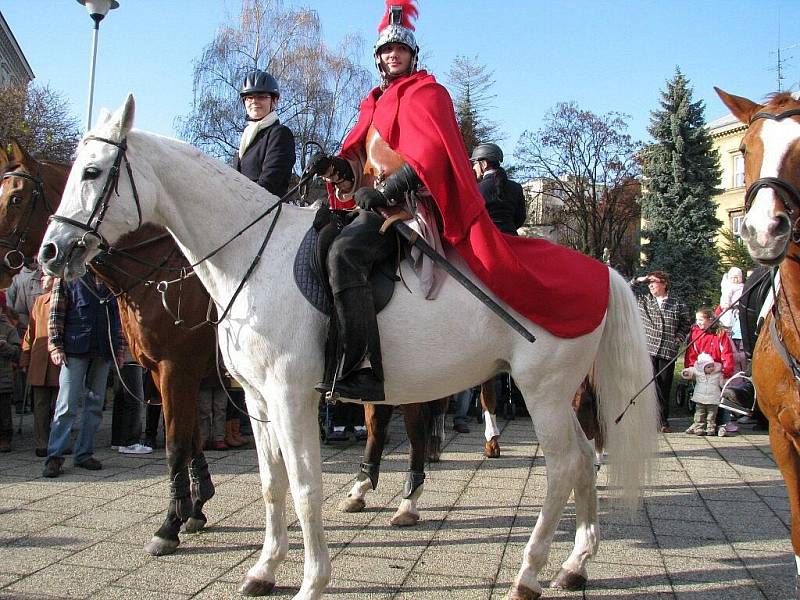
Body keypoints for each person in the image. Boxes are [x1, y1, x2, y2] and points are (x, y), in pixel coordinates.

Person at [310, 0, 609, 403]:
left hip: (408, 208)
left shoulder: (429, 94)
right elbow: (357, 164)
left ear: (412, 55)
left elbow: (432, 155)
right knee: (320, 239)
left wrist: (385, 192)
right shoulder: (372, 105)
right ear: (378, 59)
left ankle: (361, 365)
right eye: (385, 51)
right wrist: (333, 168)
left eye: (399, 49)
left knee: (345, 253)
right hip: (370, 204)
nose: (392, 55)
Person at [42, 271, 122, 478]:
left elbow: (118, 317)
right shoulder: (68, 277)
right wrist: (55, 346)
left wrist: (118, 349)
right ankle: (54, 456)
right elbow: (55, 313)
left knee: (95, 406)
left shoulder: (110, 279)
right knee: (66, 405)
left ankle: (84, 453)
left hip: (103, 350)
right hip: (74, 348)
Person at [632, 271, 692, 432]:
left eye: (654, 282)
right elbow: (627, 289)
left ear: (664, 283)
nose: (651, 285)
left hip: (667, 350)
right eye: (649, 283)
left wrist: (678, 338)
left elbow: (686, 323)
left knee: (664, 386)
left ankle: (663, 421)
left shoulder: (677, 304)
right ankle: (647, 420)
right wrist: (640, 280)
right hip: (648, 349)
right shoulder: (643, 301)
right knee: (648, 386)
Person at [237, 68, 296, 198]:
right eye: (249, 97)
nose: (254, 101)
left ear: (274, 101)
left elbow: (270, 182)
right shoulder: (247, 137)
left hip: (267, 210)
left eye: (261, 96)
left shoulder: (280, 134)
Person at [19, 275, 60, 457]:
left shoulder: (65, 300)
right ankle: (41, 442)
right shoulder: (39, 301)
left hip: (58, 359)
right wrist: (25, 357)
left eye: (47, 278)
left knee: (59, 404)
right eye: (42, 278)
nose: (43, 281)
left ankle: (58, 441)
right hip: (39, 358)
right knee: (40, 405)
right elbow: (31, 331)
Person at [684, 307, 736, 436]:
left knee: (719, 398)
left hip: (716, 371)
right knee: (700, 398)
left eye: (701, 319)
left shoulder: (720, 334)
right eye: (697, 320)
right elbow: (691, 351)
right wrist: (690, 368)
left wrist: (726, 371)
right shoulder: (696, 333)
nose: (698, 322)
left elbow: (726, 353)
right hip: (701, 371)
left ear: (710, 320)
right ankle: (699, 423)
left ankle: (721, 423)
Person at [5, 259, 44, 415]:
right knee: (25, 367)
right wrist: (27, 329)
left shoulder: (59, 279)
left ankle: (42, 408)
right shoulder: (26, 281)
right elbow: (18, 309)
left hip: (56, 334)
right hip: (29, 331)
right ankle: (21, 401)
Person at [470, 143, 527, 235]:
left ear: (484, 163)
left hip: (487, 239)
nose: (473, 167)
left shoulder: (477, 189)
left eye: (474, 163)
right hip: (511, 239)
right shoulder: (516, 187)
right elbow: (520, 218)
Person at [110, 342, 152, 455]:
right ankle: (130, 442)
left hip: (123, 353)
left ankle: (118, 440)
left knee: (122, 398)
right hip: (130, 353)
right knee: (135, 399)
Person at [681, 352, 723, 436]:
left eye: (712, 366)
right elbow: (691, 370)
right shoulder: (698, 373)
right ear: (702, 368)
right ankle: (698, 428)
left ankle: (710, 429)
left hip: (713, 399)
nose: (711, 368)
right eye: (708, 367)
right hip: (700, 399)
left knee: (712, 416)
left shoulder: (717, 374)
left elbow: (722, 383)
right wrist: (686, 372)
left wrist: (725, 384)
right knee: (699, 415)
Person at [0, 291, 20, 452]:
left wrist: (4, 346)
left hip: (3, 378)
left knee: (4, 412)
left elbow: (17, 352)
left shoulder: (8, 329)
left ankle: (5, 437)